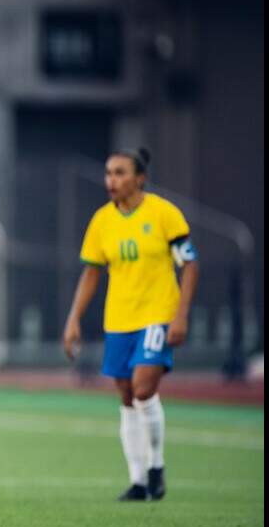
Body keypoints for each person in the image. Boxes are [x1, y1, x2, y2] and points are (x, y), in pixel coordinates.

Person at [62, 147, 199, 502]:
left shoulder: (164, 214)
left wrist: (181, 315)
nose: (112, 180)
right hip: (119, 318)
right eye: (109, 173)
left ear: (140, 178)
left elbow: (190, 264)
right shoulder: (102, 221)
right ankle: (138, 481)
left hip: (157, 314)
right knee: (125, 396)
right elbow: (91, 272)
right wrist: (73, 319)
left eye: (120, 173)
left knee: (142, 389)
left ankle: (156, 466)